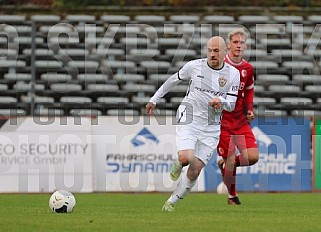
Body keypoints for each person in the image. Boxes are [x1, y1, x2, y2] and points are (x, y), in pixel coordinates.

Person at [146, 36, 240, 212]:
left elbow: (232, 104)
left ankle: (171, 202)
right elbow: (173, 80)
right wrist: (154, 99)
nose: (212, 54)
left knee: (195, 170)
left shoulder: (233, 74)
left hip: (211, 127)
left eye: (216, 51)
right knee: (186, 157)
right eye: (210, 50)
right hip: (189, 117)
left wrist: (221, 101)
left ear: (225, 51)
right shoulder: (194, 66)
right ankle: (179, 162)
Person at [216, 28, 259, 205]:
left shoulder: (248, 68)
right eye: (235, 42)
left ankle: (224, 165)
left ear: (245, 46)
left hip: (240, 122)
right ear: (228, 45)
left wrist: (249, 109)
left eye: (241, 42)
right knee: (231, 159)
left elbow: (249, 91)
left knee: (252, 157)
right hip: (221, 122)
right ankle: (232, 196)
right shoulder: (219, 65)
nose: (238, 45)